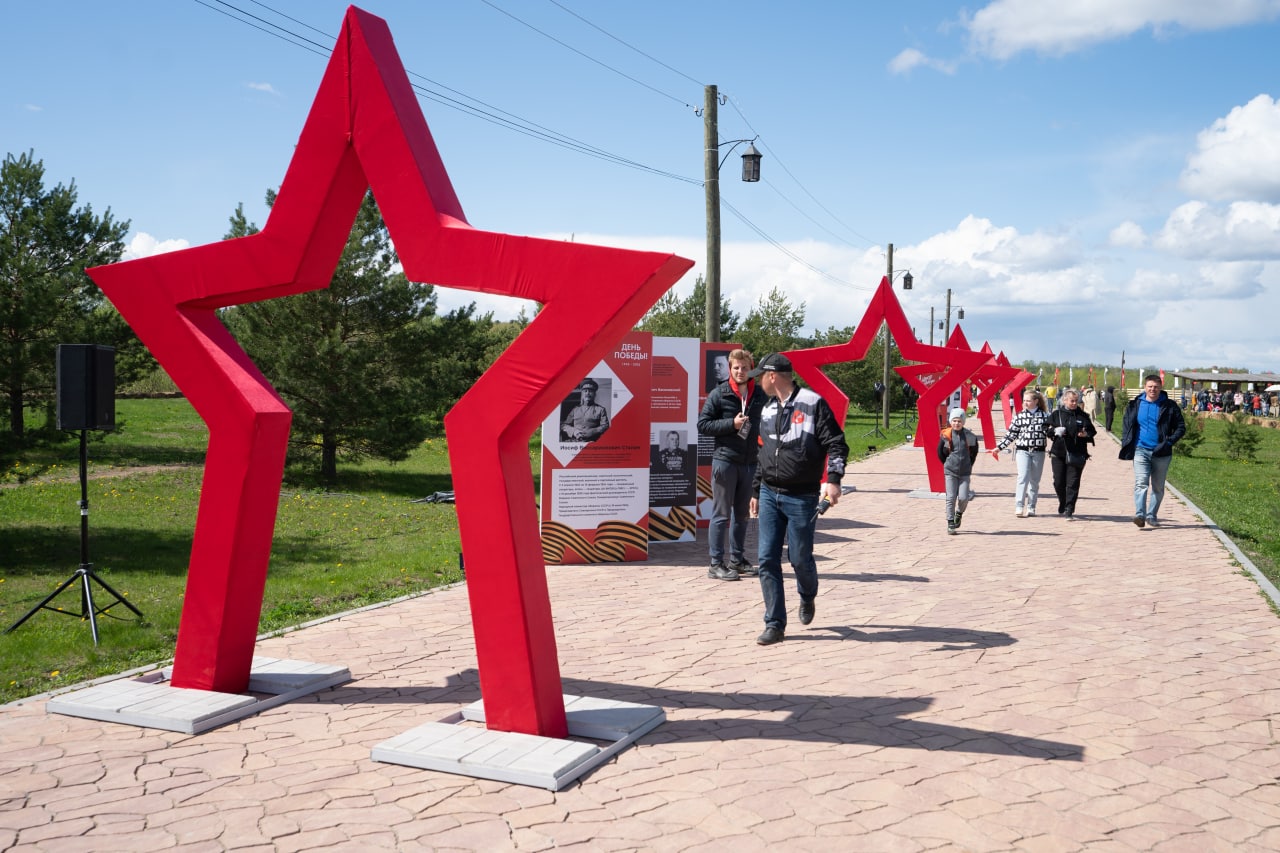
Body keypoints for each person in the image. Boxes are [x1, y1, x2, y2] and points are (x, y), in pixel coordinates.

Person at [748, 353, 849, 645]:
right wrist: (756, 489)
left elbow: (837, 443)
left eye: (760, 376)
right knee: (766, 559)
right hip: (769, 492)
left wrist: (833, 480)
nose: (758, 382)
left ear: (772, 376)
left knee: (800, 558)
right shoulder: (766, 410)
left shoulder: (813, 403)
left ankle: (807, 595)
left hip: (802, 495)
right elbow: (762, 453)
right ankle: (775, 623)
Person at [697, 349, 766, 582]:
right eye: (735, 367)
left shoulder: (759, 395)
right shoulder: (719, 393)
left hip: (749, 463)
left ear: (750, 368)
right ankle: (716, 564)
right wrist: (732, 424)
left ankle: (737, 560)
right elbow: (703, 425)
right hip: (725, 462)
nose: (739, 371)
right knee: (721, 515)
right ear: (730, 368)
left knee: (742, 515)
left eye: (744, 367)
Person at [1118, 374, 1186, 528]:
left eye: (1155, 387)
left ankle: (1152, 515)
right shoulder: (1135, 404)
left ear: (1160, 387)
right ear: (1145, 387)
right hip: (1141, 450)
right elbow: (1127, 425)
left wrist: (1168, 442)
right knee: (1141, 483)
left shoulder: (1169, 406)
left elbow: (1181, 428)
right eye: (1150, 386)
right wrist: (1127, 442)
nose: (1152, 389)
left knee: (1158, 487)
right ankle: (1140, 515)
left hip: (1162, 453)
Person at [993, 389, 1049, 517]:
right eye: (1024, 400)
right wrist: (999, 447)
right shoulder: (1019, 416)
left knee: (1034, 480)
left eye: (1028, 401)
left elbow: (1051, 433)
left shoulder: (1045, 417)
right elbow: (1011, 435)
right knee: (1022, 477)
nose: (1025, 403)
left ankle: (1031, 506)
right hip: (1022, 451)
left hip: (1038, 452)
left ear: (1036, 401)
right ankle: (1019, 505)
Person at [1045, 389, 1097, 520]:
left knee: (1072, 482)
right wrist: (1054, 431)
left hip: (1077, 453)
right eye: (1071, 401)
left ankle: (1069, 508)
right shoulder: (1057, 414)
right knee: (1058, 482)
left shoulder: (1083, 416)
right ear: (1065, 401)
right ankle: (1062, 501)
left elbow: (1092, 431)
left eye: (1076, 401)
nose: (1074, 403)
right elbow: (1045, 428)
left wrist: (1085, 435)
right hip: (1058, 452)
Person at [937, 407, 980, 534]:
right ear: (951, 421)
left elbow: (974, 452)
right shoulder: (946, 436)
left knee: (963, 497)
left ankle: (959, 513)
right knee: (950, 497)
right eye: (954, 421)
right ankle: (950, 522)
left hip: (965, 472)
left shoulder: (970, 436)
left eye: (959, 421)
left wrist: (968, 464)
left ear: (963, 422)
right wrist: (947, 463)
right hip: (950, 471)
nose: (957, 423)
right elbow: (940, 452)